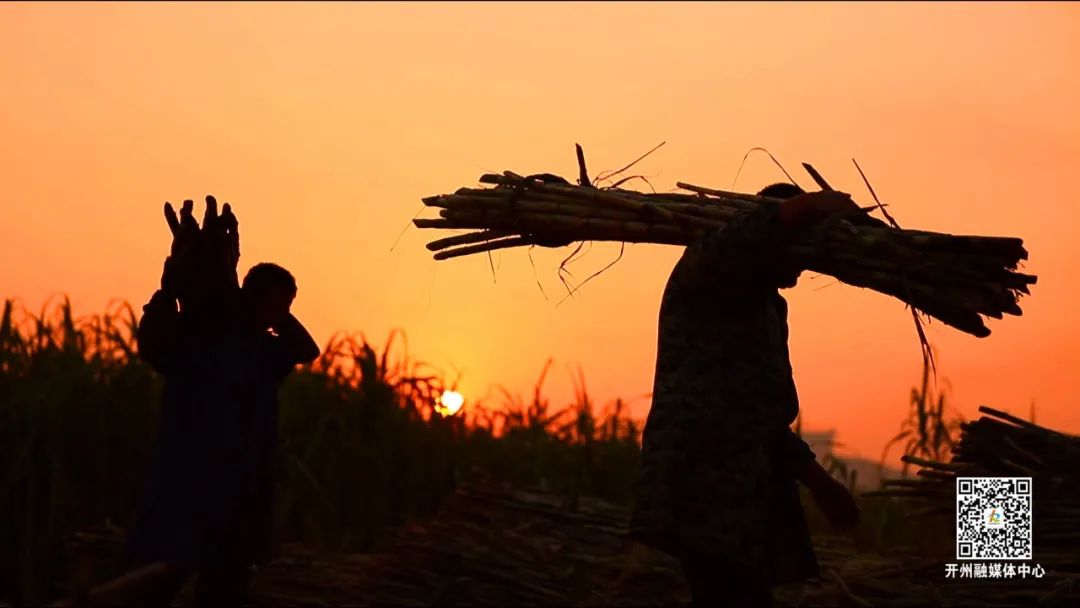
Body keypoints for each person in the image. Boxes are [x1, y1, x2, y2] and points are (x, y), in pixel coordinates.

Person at [628, 183, 864, 608]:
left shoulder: (768, 308)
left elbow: (765, 418)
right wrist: (806, 206)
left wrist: (820, 482)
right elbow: (745, 236)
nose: (804, 266)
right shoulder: (708, 267)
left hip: (743, 496)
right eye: (799, 248)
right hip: (700, 484)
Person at [124, 198, 320, 607]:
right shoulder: (203, 337)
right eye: (273, 305)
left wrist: (263, 307)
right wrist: (172, 284)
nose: (276, 315)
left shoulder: (265, 352)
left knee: (222, 587)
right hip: (187, 490)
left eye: (283, 308)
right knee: (159, 580)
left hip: (239, 500)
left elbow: (307, 349)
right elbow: (154, 344)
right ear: (249, 296)